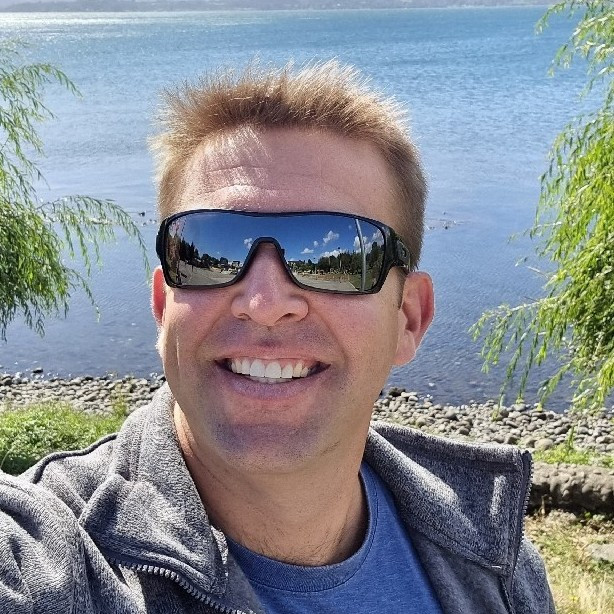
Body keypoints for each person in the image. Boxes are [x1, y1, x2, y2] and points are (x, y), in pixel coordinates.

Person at [0, 61, 555, 614]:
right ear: (163, 306)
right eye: (210, 251)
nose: (264, 304)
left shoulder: (495, 562)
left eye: (334, 255)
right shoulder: (47, 560)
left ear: (409, 319)